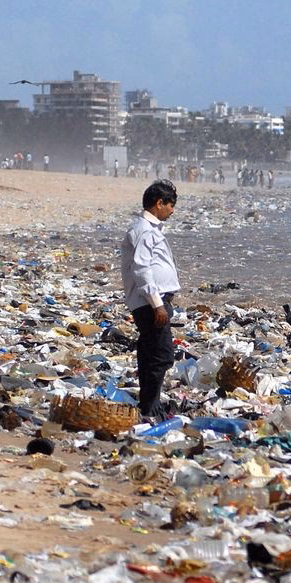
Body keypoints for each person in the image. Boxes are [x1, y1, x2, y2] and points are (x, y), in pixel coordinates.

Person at [120, 179, 181, 421]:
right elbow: (142, 269)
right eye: (171, 205)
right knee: (162, 354)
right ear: (159, 203)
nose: (173, 210)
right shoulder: (144, 230)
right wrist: (157, 304)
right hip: (149, 302)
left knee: (150, 351)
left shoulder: (148, 229)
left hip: (151, 300)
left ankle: (148, 402)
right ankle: (150, 405)